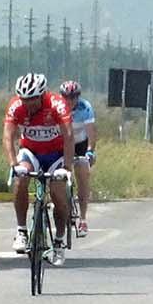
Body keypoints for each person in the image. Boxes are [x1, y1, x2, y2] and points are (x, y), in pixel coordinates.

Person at [3, 73, 74, 264]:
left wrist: (67, 168)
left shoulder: (57, 104)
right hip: (31, 152)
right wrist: (13, 164)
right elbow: (8, 137)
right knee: (21, 179)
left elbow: (68, 136)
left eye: (33, 99)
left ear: (42, 95)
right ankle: (21, 231)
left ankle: (58, 242)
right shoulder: (16, 106)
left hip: (56, 154)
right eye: (25, 99)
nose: (29, 104)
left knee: (58, 194)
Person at [58, 79, 97, 236]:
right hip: (62, 144)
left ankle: (83, 219)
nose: (70, 100)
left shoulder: (85, 107)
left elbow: (91, 133)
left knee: (82, 173)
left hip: (81, 144)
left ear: (78, 97)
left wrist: (90, 151)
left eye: (73, 97)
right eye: (66, 97)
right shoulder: (56, 107)